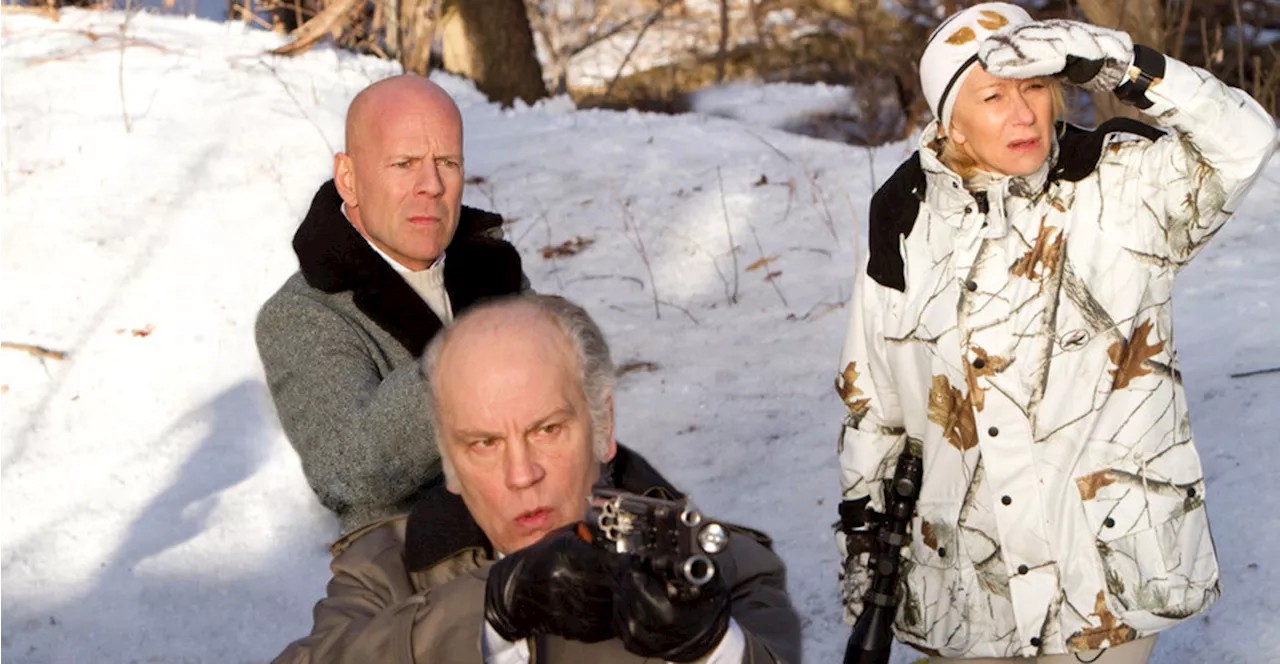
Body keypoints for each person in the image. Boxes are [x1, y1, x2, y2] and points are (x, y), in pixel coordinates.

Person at [834, 3, 1275, 663]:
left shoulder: (1121, 183)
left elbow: (1246, 141)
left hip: (1102, 578)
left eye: (1035, 86)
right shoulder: (902, 214)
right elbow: (873, 406)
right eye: (994, 96)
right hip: (966, 586)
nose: (1023, 112)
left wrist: (1122, 64)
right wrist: (865, 557)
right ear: (949, 119)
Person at [274, 294, 802, 664]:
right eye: (484, 443)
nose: (522, 474)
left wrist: (710, 648)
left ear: (602, 425)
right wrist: (490, 609)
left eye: (547, 429)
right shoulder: (384, 569)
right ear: (448, 462)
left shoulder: (729, 565)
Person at [257, 75, 527, 534]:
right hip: (419, 580)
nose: (433, 185)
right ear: (349, 178)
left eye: (448, 162)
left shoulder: (495, 271)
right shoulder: (304, 313)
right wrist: (468, 359)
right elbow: (348, 471)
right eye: (404, 163)